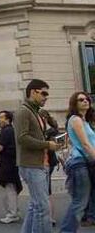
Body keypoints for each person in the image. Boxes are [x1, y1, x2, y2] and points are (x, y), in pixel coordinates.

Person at [14, 79, 61, 233]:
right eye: (44, 93)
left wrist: (49, 142)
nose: (46, 97)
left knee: (36, 206)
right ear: (33, 92)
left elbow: (33, 137)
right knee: (43, 208)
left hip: (40, 164)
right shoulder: (23, 111)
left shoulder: (34, 112)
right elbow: (22, 138)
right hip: (32, 165)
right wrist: (47, 145)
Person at [60, 92, 95, 232]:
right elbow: (85, 144)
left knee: (82, 200)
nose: (85, 101)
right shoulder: (75, 120)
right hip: (79, 162)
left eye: (87, 99)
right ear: (74, 103)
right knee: (80, 201)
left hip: (84, 162)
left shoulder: (84, 121)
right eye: (81, 100)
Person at [0, 110, 22, 224]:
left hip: (7, 163)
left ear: (8, 119)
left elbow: (1, 147)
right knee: (11, 188)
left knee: (8, 189)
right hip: (12, 163)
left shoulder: (6, 131)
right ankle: (15, 211)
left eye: (0, 118)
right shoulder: (11, 130)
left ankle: (12, 214)